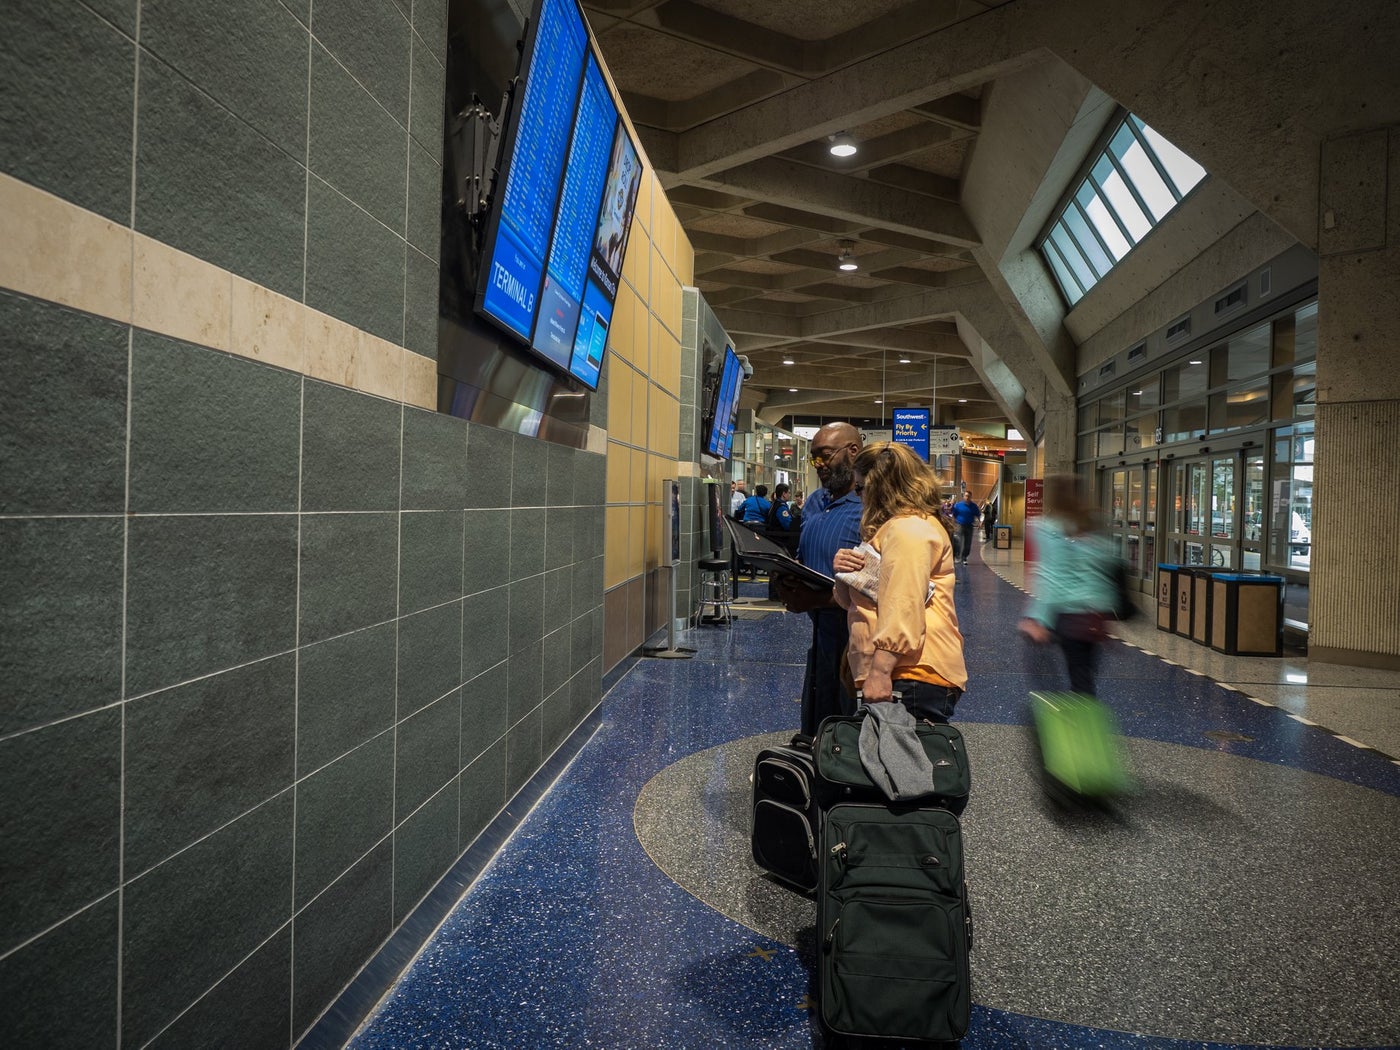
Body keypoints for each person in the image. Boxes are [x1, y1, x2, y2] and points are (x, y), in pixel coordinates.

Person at [831, 443, 968, 723]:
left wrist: (881, 672)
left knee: (902, 765)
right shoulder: (897, 528)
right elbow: (857, 600)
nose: (859, 497)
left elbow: (903, 602)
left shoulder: (909, 529)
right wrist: (845, 575)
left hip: (909, 672)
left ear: (878, 486)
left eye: (860, 488)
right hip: (901, 670)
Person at [774, 422, 864, 736]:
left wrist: (813, 599)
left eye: (825, 455)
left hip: (855, 639)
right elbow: (803, 556)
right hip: (820, 631)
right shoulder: (815, 502)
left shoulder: (869, 509)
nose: (820, 465)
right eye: (815, 459)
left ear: (853, 451)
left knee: (845, 720)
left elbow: (877, 585)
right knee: (816, 714)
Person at [1017, 475, 1117, 695]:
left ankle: (1063, 723)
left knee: (1044, 679)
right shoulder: (1093, 524)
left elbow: (1050, 576)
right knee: (1083, 678)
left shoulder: (1042, 528)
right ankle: (1084, 720)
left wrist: (1038, 619)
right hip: (1091, 616)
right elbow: (1107, 568)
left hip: (1062, 615)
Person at [951, 492, 981, 566]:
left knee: (968, 543)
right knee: (958, 541)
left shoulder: (974, 506)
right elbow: (953, 515)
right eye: (966, 496)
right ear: (963, 496)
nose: (967, 497)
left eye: (969, 496)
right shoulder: (958, 505)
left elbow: (978, 515)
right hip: (959, 525)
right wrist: (952, 524)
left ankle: (964, 557)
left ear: (971, 497)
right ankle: (958, 557)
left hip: (969, 526)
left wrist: (980, 522)